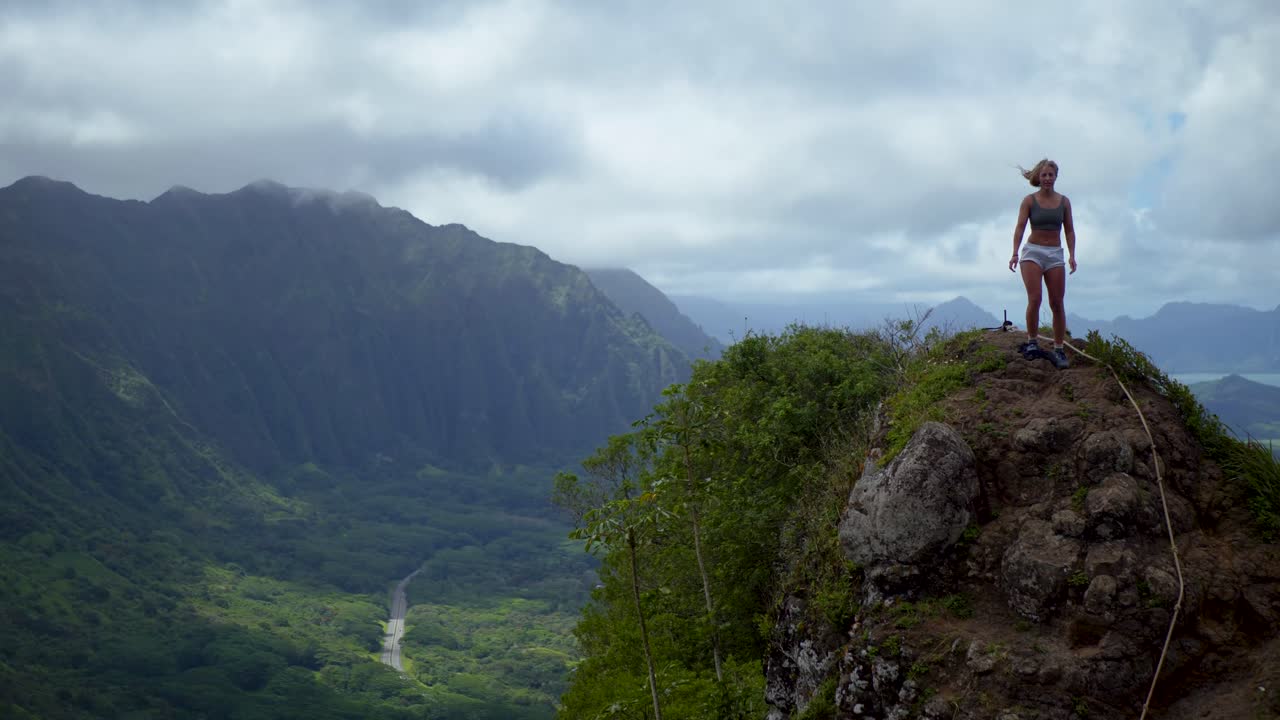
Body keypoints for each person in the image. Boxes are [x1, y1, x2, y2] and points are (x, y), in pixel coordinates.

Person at [1009, 158, 1076, 369]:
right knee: (1035, 298)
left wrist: (1072, 255)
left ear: (1056, 177)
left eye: (1051, 175)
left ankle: (1059, 348)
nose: (1047, 178)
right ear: (1039, 177)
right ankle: (1032, 342)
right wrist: (1015, 253)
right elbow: (1020, 227)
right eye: (1044, 175)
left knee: (1057, 302)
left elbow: (1069, 230)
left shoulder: (1064, 202)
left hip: (1055, 254)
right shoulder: (1029, 201)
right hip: (1033, 252)